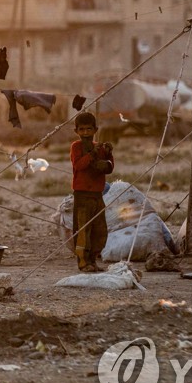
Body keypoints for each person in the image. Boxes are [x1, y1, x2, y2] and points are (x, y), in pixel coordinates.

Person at [70, 111, 114, 272]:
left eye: (89, 129)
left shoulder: (99, 148)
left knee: (99, 230)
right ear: (76, 131)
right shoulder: (76, 147)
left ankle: (93, 260)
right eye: (82, 130)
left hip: (97, 194)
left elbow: (109, 168)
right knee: (83, 230)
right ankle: (83, 262)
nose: (85, 133)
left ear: (95, 129)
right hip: (82, 195)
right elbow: (79, 166)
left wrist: (109, 153)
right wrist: (92, 154)